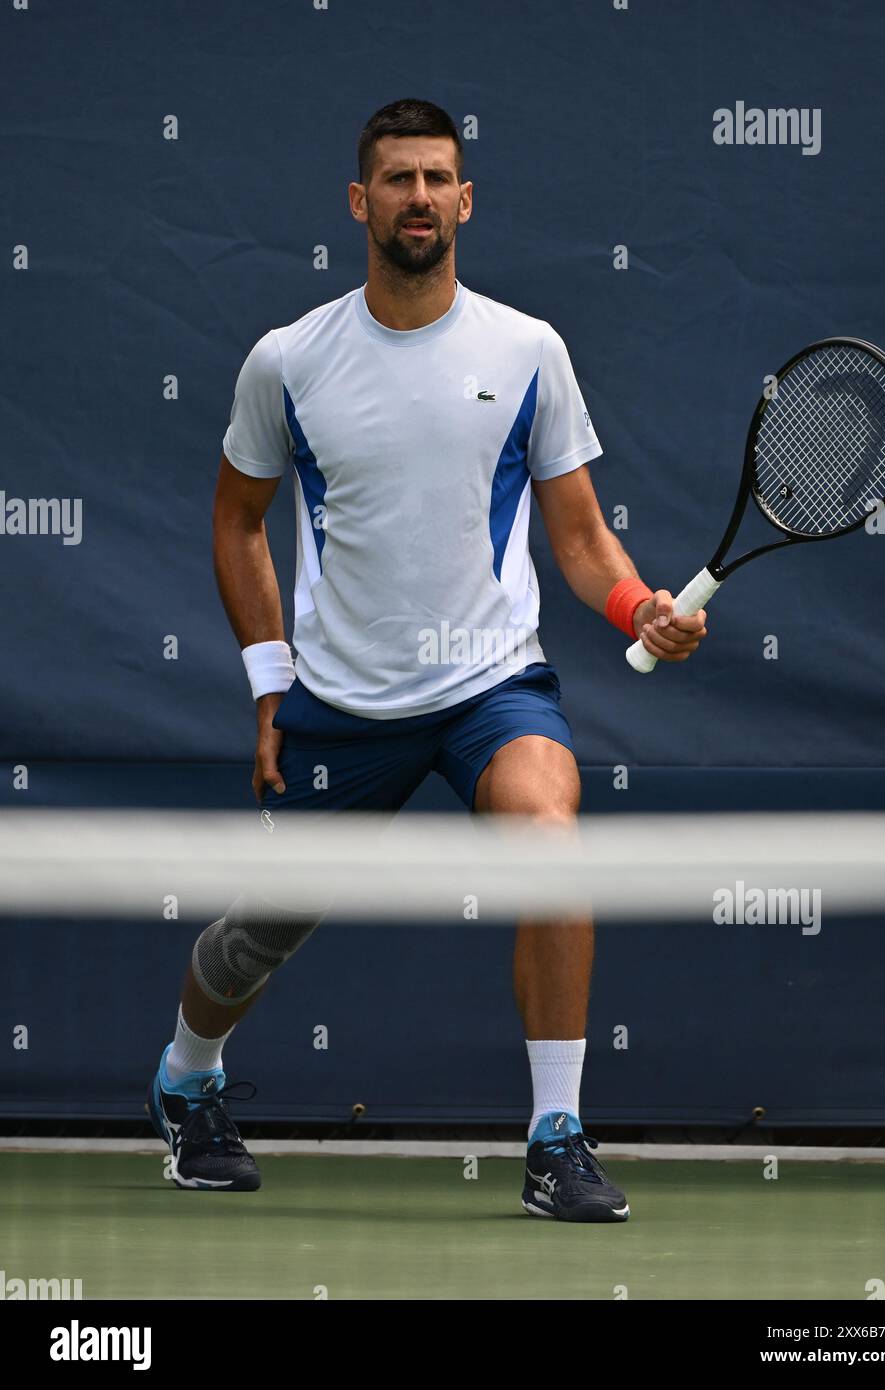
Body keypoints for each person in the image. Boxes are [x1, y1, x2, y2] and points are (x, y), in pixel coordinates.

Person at [147, 98, 707, 1223]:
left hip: (490, 685)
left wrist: (641, 606)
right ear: (361, 202)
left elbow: (582, 537)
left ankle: (556, 1138)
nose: (417, 197)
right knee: (260, 933)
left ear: (465, 200)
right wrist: (268, 685)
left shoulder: (529, 351)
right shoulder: (289, 361)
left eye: (435, 178)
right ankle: (186, 1081)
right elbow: (236, 519)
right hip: (341, 700)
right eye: (395, 179)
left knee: (552, 842)